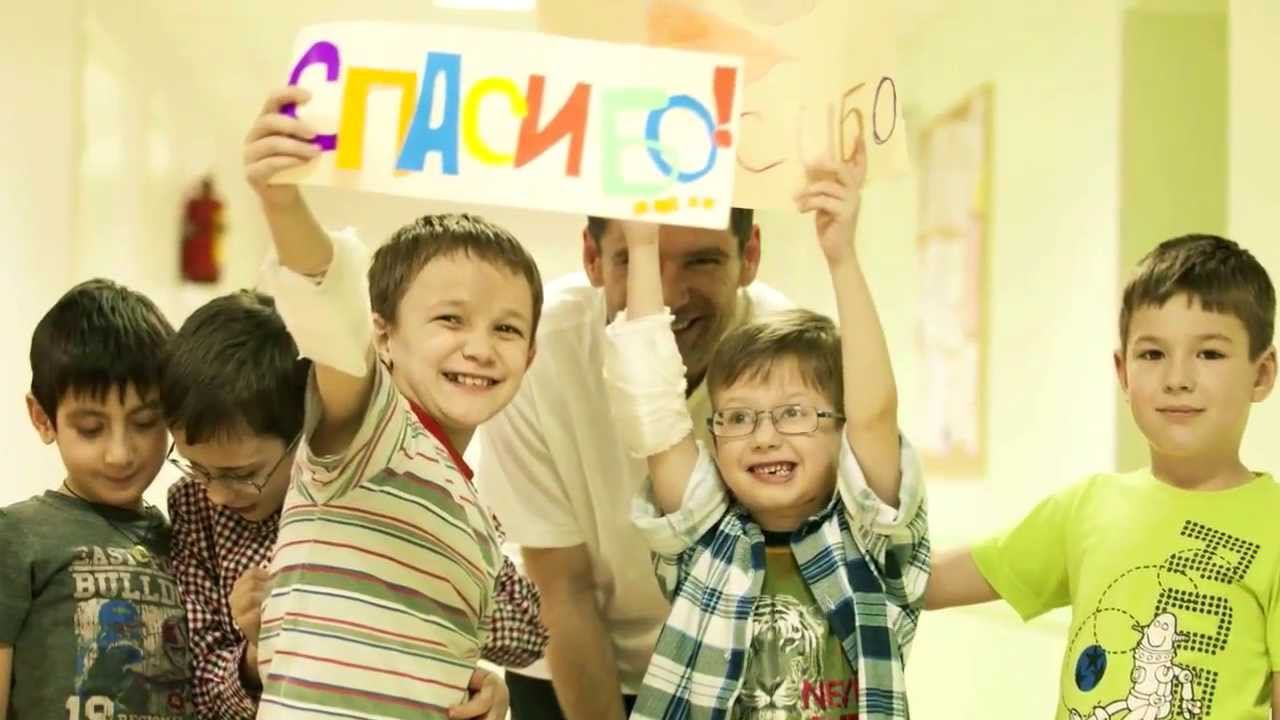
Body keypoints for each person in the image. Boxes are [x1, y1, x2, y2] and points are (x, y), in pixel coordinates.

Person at [242, 85, 544, 719]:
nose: (480, 348)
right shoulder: (374, 434)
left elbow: (432, 646)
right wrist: (281, 201)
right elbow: (327, 301)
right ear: (382, 337)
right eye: (450, 319)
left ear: (532, 354)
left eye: (507, 328)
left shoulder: (474, 514)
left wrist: (481, 681)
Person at [604, 136, 929, 719]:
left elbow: (875, 412)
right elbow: (653, 410)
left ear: (841, 430)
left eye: (794, 413)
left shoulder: (869, 540)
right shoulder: (706, 539)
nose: (764, 435)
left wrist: (842, 256)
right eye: (738, 417)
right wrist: (643, 244)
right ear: (713, 439)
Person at [925, 234, 1280, 719]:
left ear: (1262, 374)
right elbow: (926, 581)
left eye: (1210, 354)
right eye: (1152, 354)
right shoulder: (1088, 506)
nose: (1177, 378)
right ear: (1123, 372)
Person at [160, 290, 546, 719]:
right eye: (196, 468)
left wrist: (459, 666)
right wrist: (256, 656)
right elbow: (195, 687)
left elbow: (527, 631)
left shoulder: (393, 489)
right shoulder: (195, 507)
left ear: (309, 433)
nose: (215, 493)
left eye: (241, 474)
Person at [473, 205, 790, 718]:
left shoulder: (793, 357)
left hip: (730, 658)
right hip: (567, 655)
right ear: (592, 257)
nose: (667, 295)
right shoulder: (535, 351)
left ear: (749, 255)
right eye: (634, 259)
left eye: (702, 261)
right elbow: (564, 587)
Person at [0, 279, 191, 718]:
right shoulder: (16, 536)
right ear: (43, 418)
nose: (120, 453)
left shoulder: (185, 543)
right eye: (91, 428)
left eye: (145, 423)